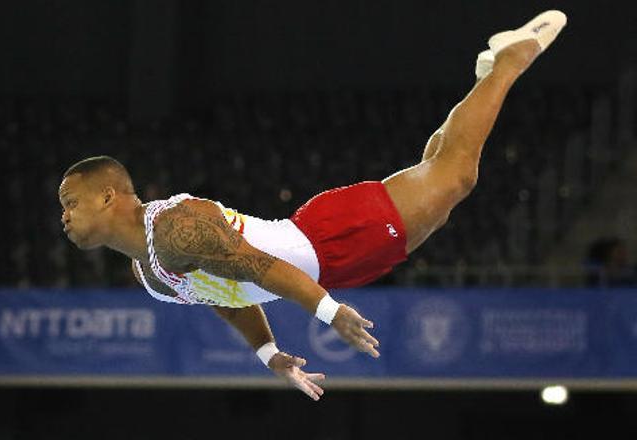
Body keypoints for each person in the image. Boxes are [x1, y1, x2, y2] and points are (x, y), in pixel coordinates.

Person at [58, 11, 568, 400]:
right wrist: (268, 353)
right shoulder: (146, 271)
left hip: (330, 239)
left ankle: (509, 60)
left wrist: (329, 314)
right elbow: (221, 293)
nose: (63, 215)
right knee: (437, 174)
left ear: (109, 194)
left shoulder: (173, 228)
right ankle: (487, 79)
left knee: (456, 176)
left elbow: (258, 265)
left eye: (70, 201)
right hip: (330, 259)